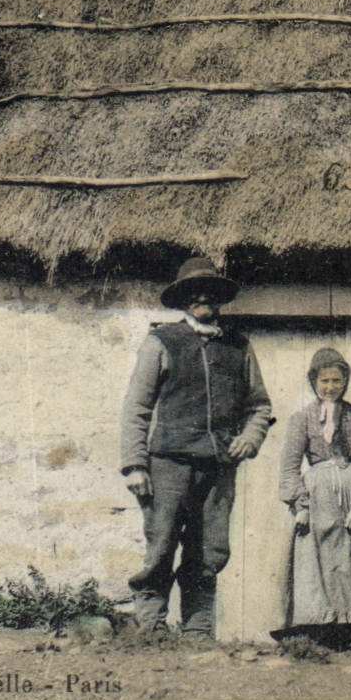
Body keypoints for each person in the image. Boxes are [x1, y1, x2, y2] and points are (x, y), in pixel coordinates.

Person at [120, 256, 273, 637]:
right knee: (161, 546)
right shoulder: (161, 342)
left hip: (218, 468)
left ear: (219, 299)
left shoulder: (239, 346)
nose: (202, 298)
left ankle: (198, 631)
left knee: (208, 551)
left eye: (210, 292)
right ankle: (151, 627)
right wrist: (135, 465)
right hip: (167, 465)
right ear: (183, 299)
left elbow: (260, 407)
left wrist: (250, 439)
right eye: (193, 292)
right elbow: (137, 407)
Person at [278, 348, 351, 638]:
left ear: (345, 382)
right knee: (318, 558)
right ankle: (319, 628)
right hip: (317, 496)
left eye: (337, 381)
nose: (330, 387)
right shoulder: (302, 418)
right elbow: (289, 468)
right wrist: (300, 506)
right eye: (324, 381)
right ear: (314, 381)